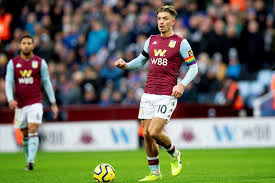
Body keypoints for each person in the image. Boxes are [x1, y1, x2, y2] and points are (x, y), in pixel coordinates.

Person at [114, 5, 198, 181]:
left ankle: (175, 154)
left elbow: (194, 67)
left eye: (165, 18)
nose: (161, 22)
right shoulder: (151, 40)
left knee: (154, 131)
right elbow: (141, 61)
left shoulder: (181, 42)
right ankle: (155, 173)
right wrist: (126, 65)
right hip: (148, 93)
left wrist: (181, 85)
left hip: (167, 94)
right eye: (159, 18)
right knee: (145, 134)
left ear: (172, 21)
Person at [5, 35, 58, 171]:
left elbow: (46, 82)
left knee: (33, 129)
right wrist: (10, 98)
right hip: (20, 105)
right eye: (24, 43)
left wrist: (53, 103)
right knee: (25, 134)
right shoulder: (13, 63)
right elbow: (8, 82)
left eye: (29, 43)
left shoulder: (40, 62)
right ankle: (28, 160)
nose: (27, 45)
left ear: (33, 46)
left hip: (35, 102)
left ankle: (31, 161)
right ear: (20, 46)